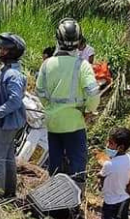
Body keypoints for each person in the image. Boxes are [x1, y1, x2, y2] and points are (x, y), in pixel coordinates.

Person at [36, 18, 100, 188]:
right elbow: (93, 93)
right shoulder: (83, 65)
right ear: (79, 41)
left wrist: (50, 107)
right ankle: (75, 205)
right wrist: (88, 110)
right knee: (77, 165)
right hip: (74, 123)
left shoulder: (47, 64)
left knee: (55, 163)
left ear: (58, 39)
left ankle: (54, 201)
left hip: (53, 123)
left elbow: (39, 92)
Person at [0, 33, 27, 200]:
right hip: (6, 121)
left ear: (11, 52)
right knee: (7, 156)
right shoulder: (5, 70)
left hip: (6, 123)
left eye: (2, 49)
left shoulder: (12, 75)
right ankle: (9, 192)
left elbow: (15, 101)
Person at [97, 127, 130, 219]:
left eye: (111, 143)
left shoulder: (109, 165)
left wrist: (99, 178)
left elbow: (101, 175)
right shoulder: (128, 158)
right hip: (124, 200)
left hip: (111, 203)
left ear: (121, 147)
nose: (107, 145)